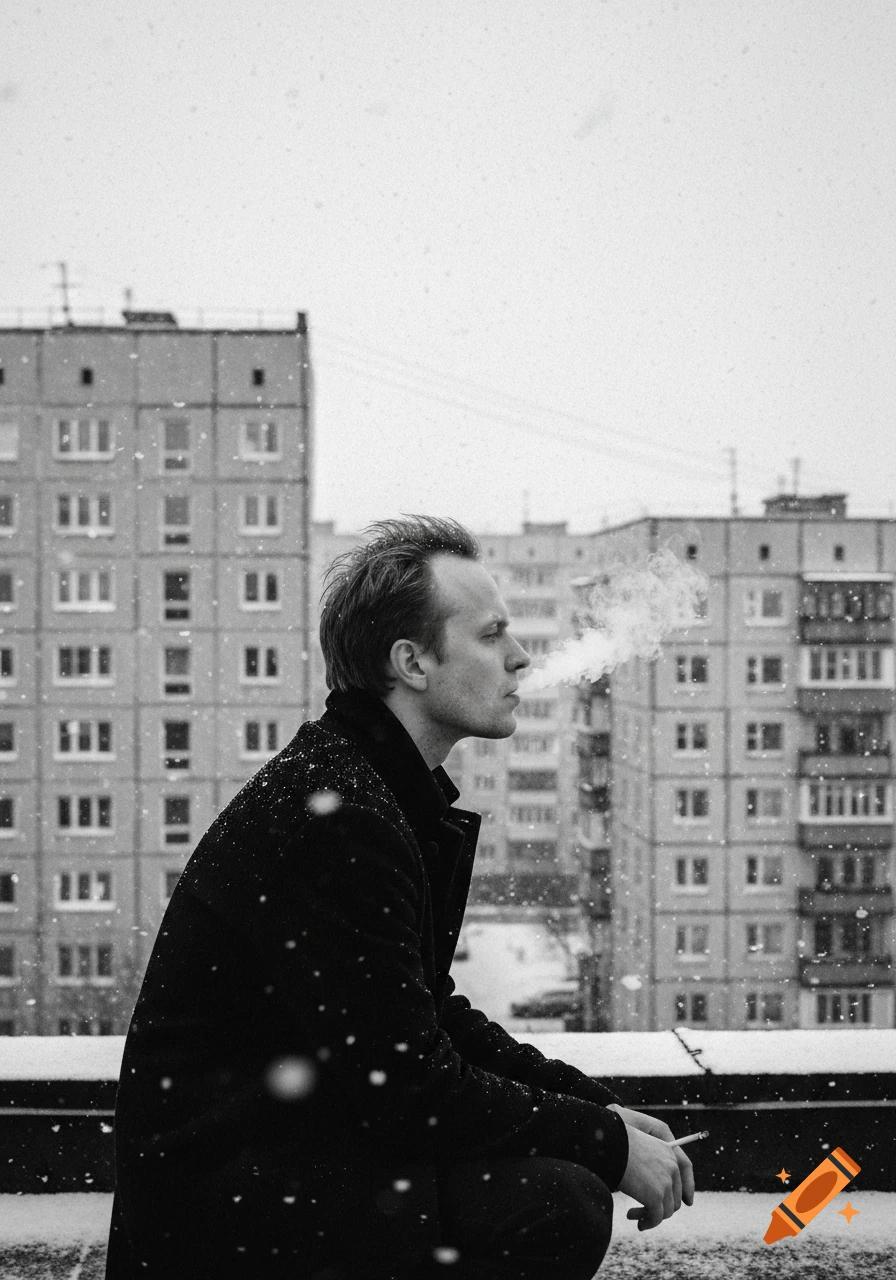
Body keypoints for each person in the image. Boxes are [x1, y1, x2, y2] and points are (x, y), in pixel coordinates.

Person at [106, 516, 693, 1280]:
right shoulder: (342, 818)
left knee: (558, 1180)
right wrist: (602, 1146)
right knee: (557, 1203)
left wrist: (598, 1112)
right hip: (227, 1210)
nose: (520, 657)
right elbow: (408, 1083)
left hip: (276, 1169)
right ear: (412, 662)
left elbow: (423, 1011)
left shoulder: (364, 788)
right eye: (491, 636)